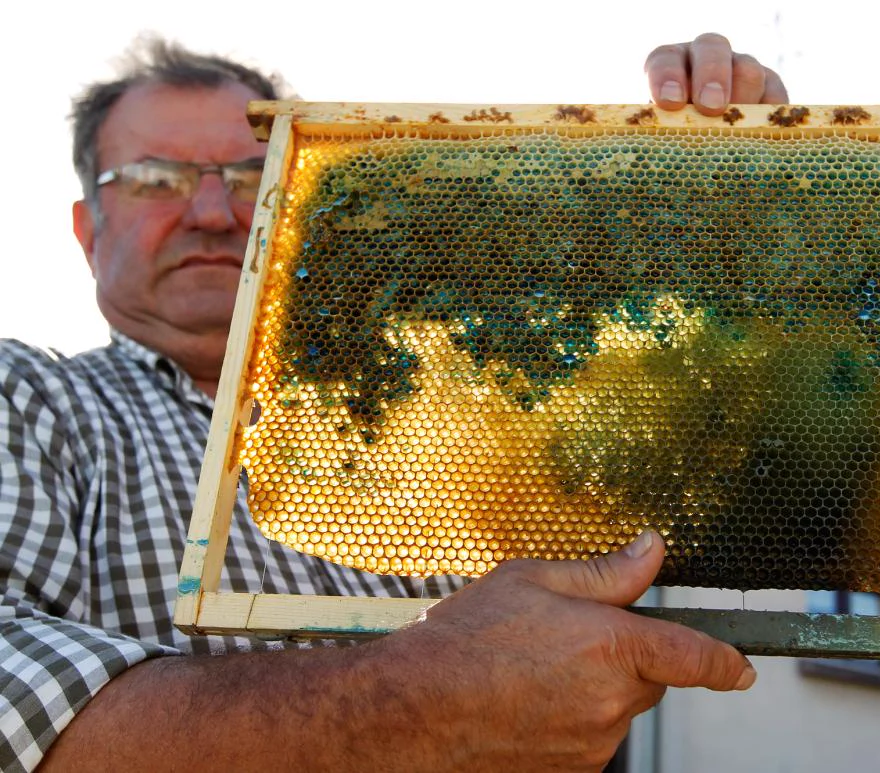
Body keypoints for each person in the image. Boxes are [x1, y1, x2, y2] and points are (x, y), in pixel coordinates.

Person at [0, 33, 788, 771]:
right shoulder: (33, 400)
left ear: (301, 198)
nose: (213, 212)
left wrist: (724, 196)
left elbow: (689, 462)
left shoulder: (466, 426)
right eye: (155, 180)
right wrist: (410, 702)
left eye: (249, 176)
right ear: (87, 232)